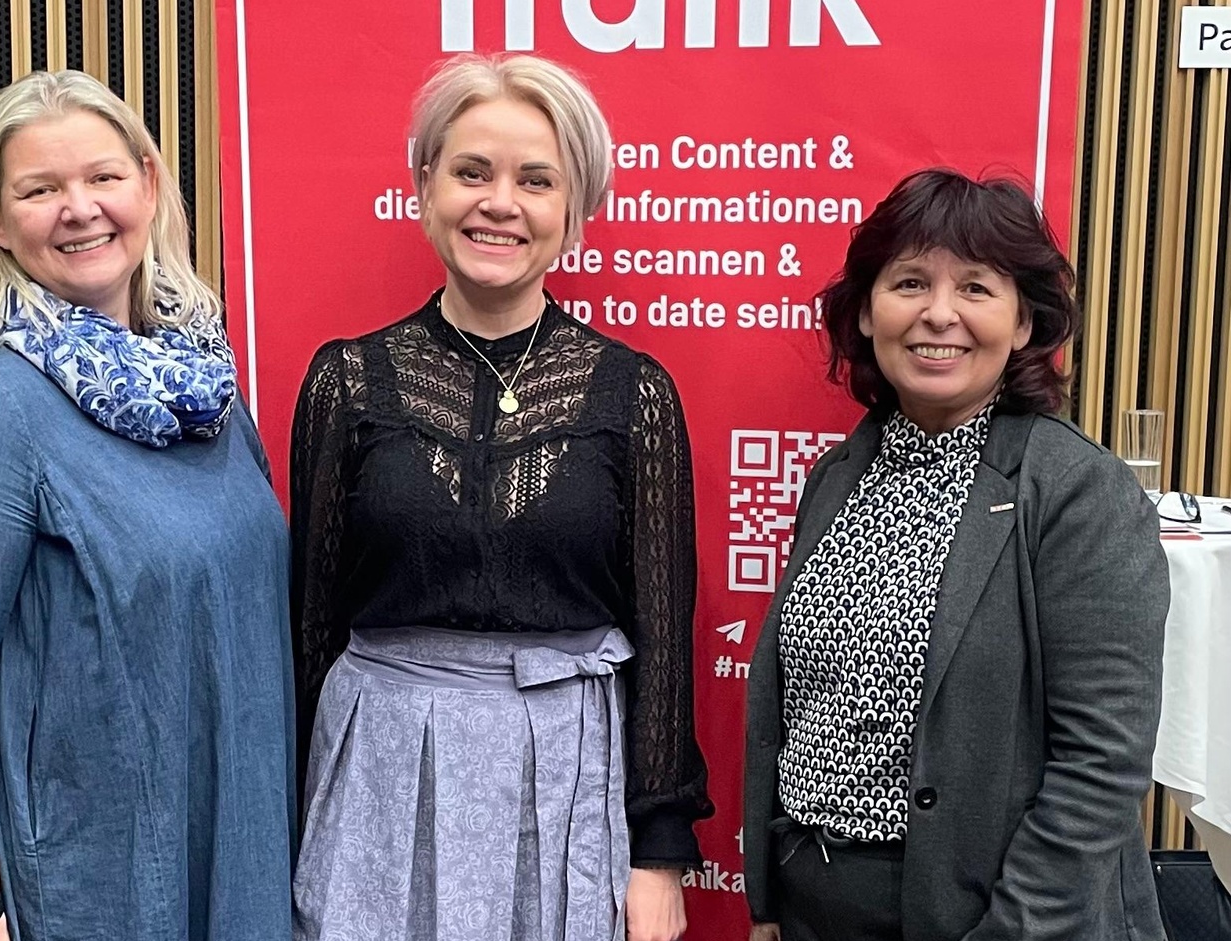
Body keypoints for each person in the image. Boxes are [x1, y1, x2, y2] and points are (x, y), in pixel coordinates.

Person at [290, 53, 712, 941]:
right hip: (380, 768)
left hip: (564, 774)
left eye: (536, 179)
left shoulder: (634, 393)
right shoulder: (347, 381)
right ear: (425, 185)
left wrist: (657, 856)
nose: (499, 202)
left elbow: (666, 641)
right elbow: (308, 630)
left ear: (574, 211)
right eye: (471, 171)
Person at [0, 69, 294, 941]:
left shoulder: (207, 388)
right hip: (80, 886)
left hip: (233, 855)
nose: (80, 209)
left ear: (147, 184)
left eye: (104, 177)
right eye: (41, 189)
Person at [741, 168, 1170, 941]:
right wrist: (772, 902)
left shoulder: (1077, 491)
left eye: (976, 288)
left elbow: (1101, 763)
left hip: (983, 918)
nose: (939, 314)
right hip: (814, 906)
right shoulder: (839, 476)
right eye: (909, 283)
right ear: (868, 314)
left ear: (1026, 324)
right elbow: (800, 705)